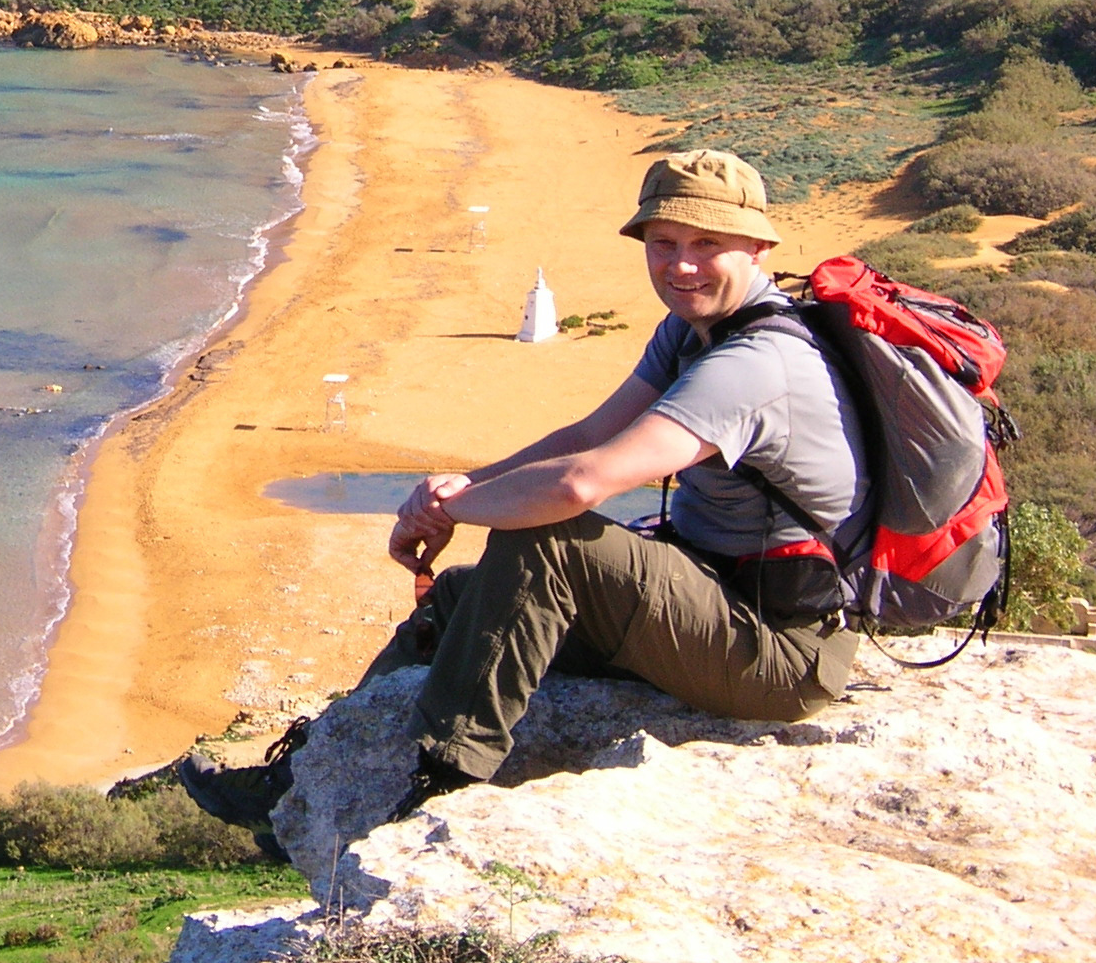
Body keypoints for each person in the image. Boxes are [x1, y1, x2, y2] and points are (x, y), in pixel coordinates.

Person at [180, 148, 864, 838]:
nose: (681, 265)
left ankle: (447, 779)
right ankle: (301, 779)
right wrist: (462, 486)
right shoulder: (694, 331)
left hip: (778, 653)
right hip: (716, 600)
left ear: (758, 247)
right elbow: (590, 433)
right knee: (459, 597)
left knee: (546, 538)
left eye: (706, 244)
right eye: (664, 243)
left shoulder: (755, 363)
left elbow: (580, 482)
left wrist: (452, 510)